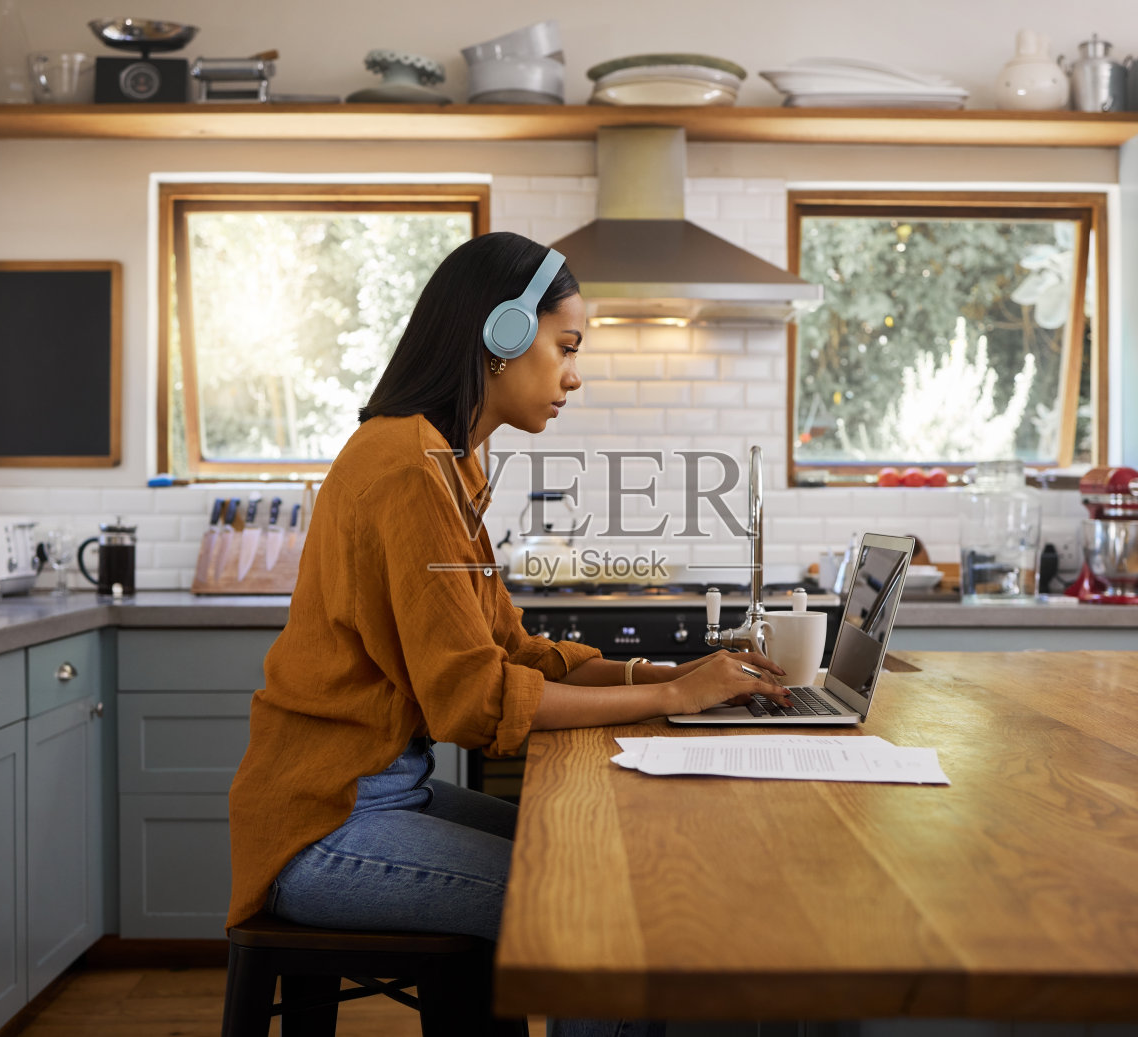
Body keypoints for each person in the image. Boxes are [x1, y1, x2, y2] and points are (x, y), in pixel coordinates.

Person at [227, 232, 790, 1035]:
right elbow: (473, 703)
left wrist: (667, 669)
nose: (575, 373)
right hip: (326, 820)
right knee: (598, 909)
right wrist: (671, 694)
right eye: (565, 346)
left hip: (383, 793)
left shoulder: (446, 461)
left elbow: (513, 650)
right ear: (501, 336)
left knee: (601, 862)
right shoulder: (408, 469)